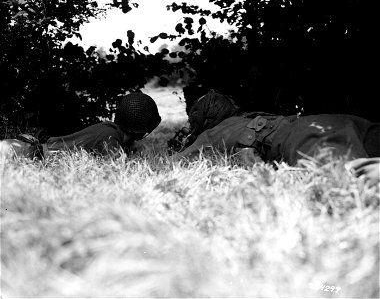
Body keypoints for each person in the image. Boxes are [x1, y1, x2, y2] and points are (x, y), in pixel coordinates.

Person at [174, 89, 380, 186]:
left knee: (347, 178)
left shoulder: (211, 134)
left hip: (304, 135)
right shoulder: (247, 117)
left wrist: (183, 144)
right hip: (337, 122)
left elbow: (177, 162)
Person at [0, 92, 161, 160]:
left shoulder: (109, 130)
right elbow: (119, 167)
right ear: (141, 131)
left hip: (28, 149)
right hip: (27, 152)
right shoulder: (109, 136)